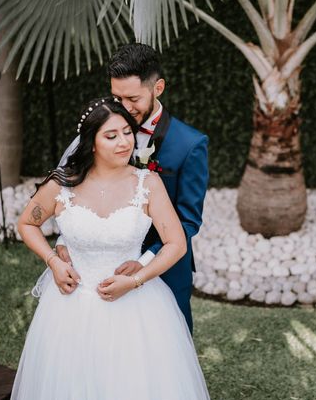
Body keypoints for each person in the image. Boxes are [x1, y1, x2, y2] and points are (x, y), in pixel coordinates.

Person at [3, 97, 225, 400]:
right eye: (112, 136)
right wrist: (53, 262)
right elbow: (27, 223)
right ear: (91, 142)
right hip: (71, 310)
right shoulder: (61, 186)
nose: (124, 142)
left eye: (127, 133)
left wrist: (136, 278)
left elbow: (176, 243)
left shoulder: (147, 183)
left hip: (137, 310)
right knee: (74, 398)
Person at [55, 43, 208, 334]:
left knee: (165, 345)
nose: (123, 108)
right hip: (99, 262)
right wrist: (65, 239)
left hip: (163, 264)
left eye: (133, 98)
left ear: (158, 88)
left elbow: (188, 221)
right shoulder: (100, 129)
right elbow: (75, 190)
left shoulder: (190, 145)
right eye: (117, 97)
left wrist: (145, 261)